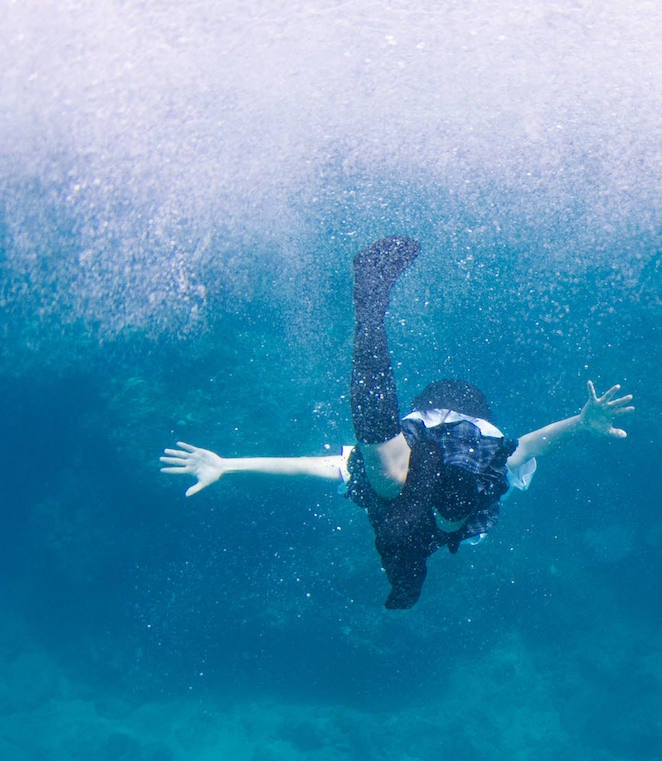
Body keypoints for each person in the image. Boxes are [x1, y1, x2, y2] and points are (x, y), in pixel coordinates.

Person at [160, 236, 634, 609]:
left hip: (425, 445)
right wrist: (580, 422)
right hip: (446, 449)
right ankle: (370, 313)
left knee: (388, 476)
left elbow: (312, 466)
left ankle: (371, 313)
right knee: (405, 486)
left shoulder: (459, 457)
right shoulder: (488, 455)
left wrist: (227, 464)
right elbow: (531, 445)